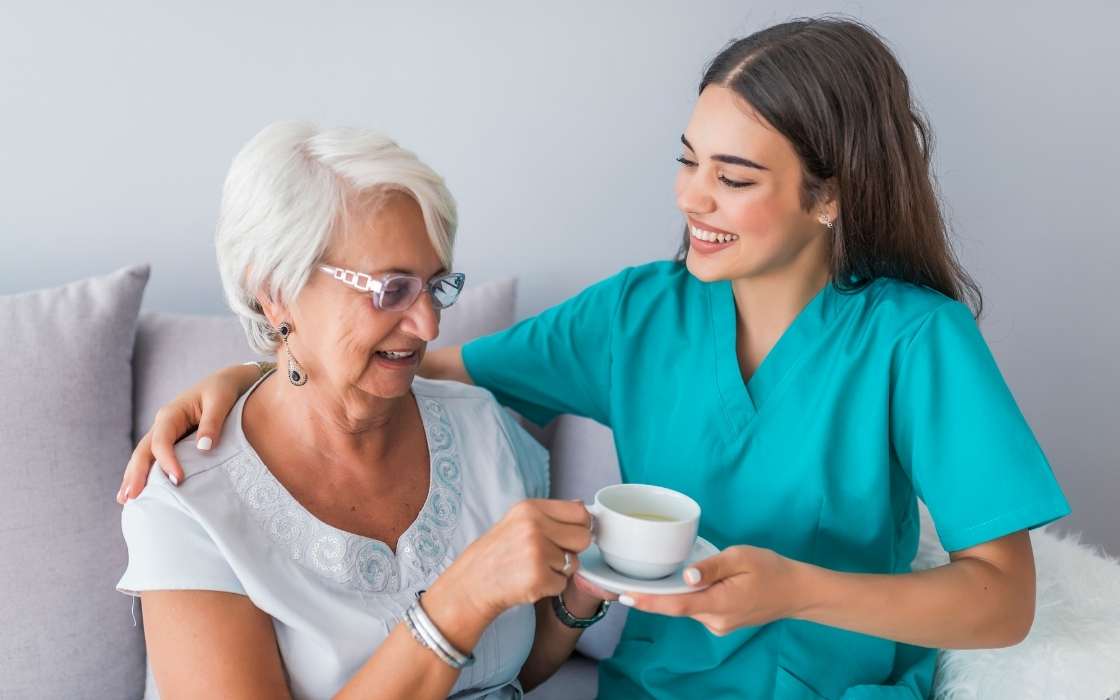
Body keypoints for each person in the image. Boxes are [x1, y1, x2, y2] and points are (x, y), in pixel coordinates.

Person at [119, 18, 1070, 699]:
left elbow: (1003, 602)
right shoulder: (636, 317)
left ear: (830, 197)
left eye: (734, 178)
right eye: (688, 159)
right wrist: (247, 373)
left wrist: (795, 589)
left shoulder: (917, 341)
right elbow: (418, 362)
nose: (692, 199)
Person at [115, 121, 609, 699]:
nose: (428, 325)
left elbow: (508, 673)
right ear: (275, 288)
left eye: (435, 286)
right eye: (391, 290)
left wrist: (584, 593)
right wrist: (459, 601)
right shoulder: (187, 499)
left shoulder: (480, 425)